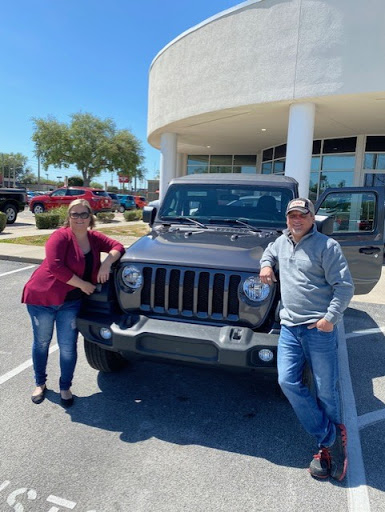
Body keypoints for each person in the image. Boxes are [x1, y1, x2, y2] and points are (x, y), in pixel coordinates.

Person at [259, 197, 354, 481]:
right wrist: (266, 265)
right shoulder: (281, 242)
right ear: (286, 220)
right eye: (292, 216)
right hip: (289, 327)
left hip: (318, 329)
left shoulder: (327, 247)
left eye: (302, 215)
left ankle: (327, 451)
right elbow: (269, 251)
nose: (297, 220)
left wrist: (329, 320)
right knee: (287, 381)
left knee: (326, 390)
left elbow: (344, 287)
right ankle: (330, 438)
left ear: (313, 218)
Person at [22, 199, 125, 407]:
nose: (79, 218)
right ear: (68, 217)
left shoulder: (94, 238)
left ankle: (65, 387)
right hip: (43, 298)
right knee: (42, 343)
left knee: (68, 347)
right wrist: (84, 285)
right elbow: (56, 268)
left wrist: (106, 263)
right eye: (75, 214)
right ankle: (40, 383)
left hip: (70, 303)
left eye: (84, 214)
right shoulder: (59, 237)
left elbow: (118, 246)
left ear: (90, 217)